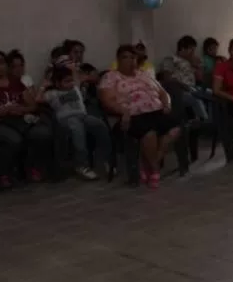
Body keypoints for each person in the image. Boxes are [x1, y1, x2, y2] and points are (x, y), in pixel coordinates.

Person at [0, 50, 54, 190]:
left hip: (18, 121)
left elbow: (32, 105)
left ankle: (30, 168)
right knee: (14, 139)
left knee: (42, 133)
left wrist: (21, 109)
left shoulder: (16, 83)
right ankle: (1, 173)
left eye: (1, 62)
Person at [99, 45, 180, 189]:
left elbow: (163, 93)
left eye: (133, 57)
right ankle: (155, 170)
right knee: (149, 133)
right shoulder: (110, 77)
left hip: (156, 111)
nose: (130, 61)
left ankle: (149, 164)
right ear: (118, 59)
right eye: (125, 57)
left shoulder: (144, 74)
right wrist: (123, 111)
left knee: (176, 129)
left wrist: (167, 104)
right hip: (133, 115)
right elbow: (107, 101)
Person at [43, 65, 111, 181]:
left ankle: (105, 159)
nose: (70, 83)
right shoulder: (52, 94)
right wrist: (44, 86)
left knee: (100, 125)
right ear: (58, 83)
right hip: (67, 119)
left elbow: (77, 75)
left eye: (71, 80)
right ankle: (82, 165)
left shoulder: (75, 88)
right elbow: (39, 99)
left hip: (82, 116)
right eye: (66, 82)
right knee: (78, 132)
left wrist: (73, 70)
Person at [161, 35, 208, 121]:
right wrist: (184, 86)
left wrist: (197, 66)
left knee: (212, 95)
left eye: (194, 49)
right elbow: (167, 79)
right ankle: (205, 124)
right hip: (179, 90)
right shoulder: (171, 59)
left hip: (194, 88)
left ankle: (215, 124)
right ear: (182, 49)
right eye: (191, 49)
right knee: (196, 100)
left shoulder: (190, 61)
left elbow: (200, 79)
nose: (193, 52)